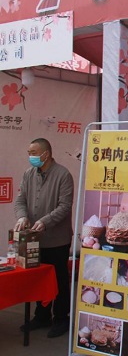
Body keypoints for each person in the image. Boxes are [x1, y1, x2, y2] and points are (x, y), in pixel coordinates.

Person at [14, 138, 74, 338]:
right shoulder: (28, 174)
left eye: (33, 152)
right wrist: (22, 216)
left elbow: (65, 206)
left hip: (57, 240)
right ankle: (41, 316)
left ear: (45, 154)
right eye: (29, 152)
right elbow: (20, 200)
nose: (30, 156)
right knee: (39, 279)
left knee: (59, 279)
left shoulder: (63, 175)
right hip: (34, 238)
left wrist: (45, 221)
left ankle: (61, 318)